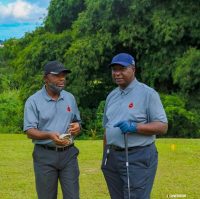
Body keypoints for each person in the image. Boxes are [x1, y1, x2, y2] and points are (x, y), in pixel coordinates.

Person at [101, 53, 168, 199]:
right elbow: (107, 128)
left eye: (122, 69)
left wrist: (135, 127)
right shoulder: (111, 96)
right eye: (114, 70)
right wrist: (105, 157)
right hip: (112, 158)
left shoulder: (148, 94)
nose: (117, 73)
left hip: (138, 156)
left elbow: (162, 126)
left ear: (133, 70)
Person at [24, 60, 81, 199]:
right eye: (57, 75)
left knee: (73, 196)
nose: (62, 79)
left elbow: (77, 122)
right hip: (44, 156)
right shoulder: (33, 101)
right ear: (45, 78)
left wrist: (77, 127)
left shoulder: (70, 98)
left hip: (69, 155)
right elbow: (29, 130)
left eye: (64, 75)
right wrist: (49, 135)